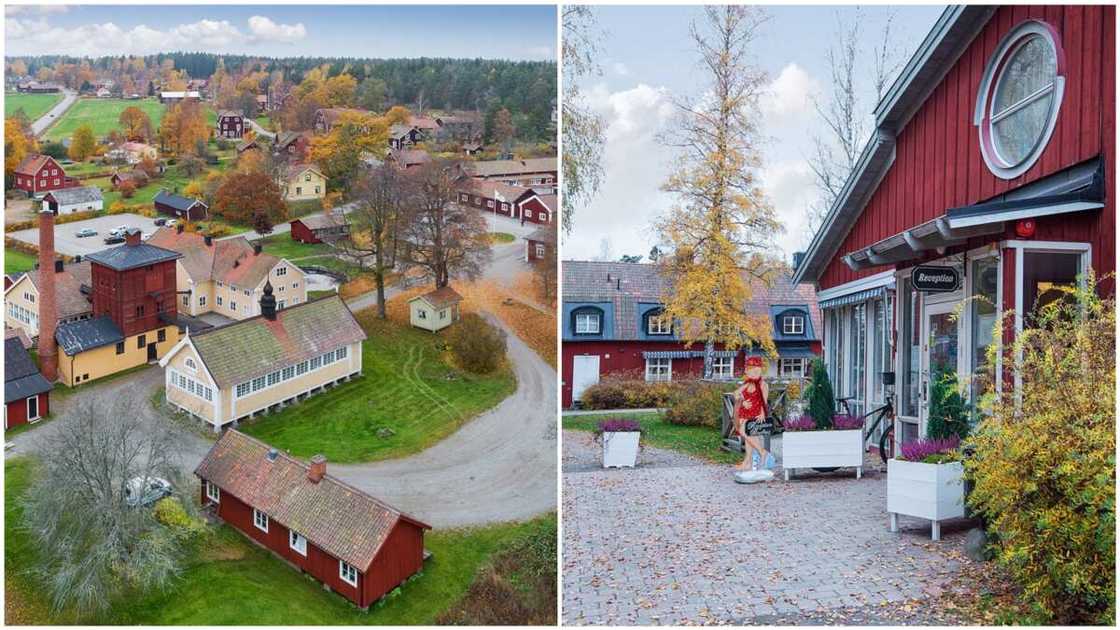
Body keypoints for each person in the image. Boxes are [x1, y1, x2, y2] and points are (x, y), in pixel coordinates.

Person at [733, 356, 774, 470]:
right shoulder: (747, 383)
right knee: (747, 439)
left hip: (754, 413)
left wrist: (762, 413)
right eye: (750, 371)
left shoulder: (763, 385)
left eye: (755, 371)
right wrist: (743, 400)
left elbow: (764, 401)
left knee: (744, 431)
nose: (752, 373)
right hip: (744, 413)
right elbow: (736, 393)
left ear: (760, 370)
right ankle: (748, 462)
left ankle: (762, 452)